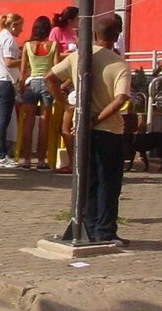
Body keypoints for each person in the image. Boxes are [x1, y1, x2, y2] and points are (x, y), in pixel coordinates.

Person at [46, 16, 131, 245]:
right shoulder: (118, 64)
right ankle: (104, 231)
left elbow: (50, 77)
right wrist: (98, 118)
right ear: (117, 35)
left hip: (83, 129)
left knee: (89, 180)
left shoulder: (78, 57)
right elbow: (120, 98)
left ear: (94, 35)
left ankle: (90, 225)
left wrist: (66, 105)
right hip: (109, 130)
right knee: (109, 183)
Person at [18, 15, 58, 170]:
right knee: (44, 122)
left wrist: (21, 87)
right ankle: (41, 160)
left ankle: (27, 159)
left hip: (31, 83)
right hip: (47, 83)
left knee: (28, 123)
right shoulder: (53, 45)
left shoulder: (27, 46)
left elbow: (22, 71)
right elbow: (55, 69)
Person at [0, 13, 24, 168]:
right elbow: (8, 62)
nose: (22, 29)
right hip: (4, 81)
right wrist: (25, 60)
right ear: (13, 25)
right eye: (20, 25)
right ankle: (2, 155)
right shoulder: (8, 40)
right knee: (2, 120)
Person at [50, 6, 80, 175]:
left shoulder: (76, 34)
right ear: (71, 19)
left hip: (70, 80)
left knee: (68, 126)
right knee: (65, 126)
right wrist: (68, 55)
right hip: (62, 75)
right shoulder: (56, 32)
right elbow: (54, 54)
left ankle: (74, 161)